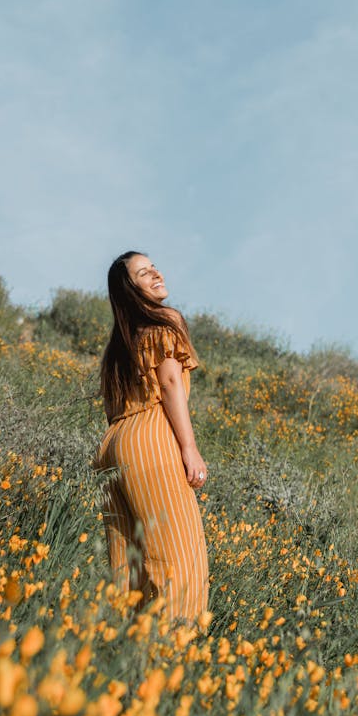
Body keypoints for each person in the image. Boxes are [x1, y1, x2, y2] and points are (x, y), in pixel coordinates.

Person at [95, 251, 209, 621]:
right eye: (144, 273)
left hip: (113, 446)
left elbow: (113, 409)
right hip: (150, 441)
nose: (156, 273)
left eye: (153, 266)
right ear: (132, 289)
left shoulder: (119, 345)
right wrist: (189, 448)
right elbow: (171, 382)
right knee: (178, 556)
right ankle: (171, 654)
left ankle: (118, 649)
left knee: (126, 566)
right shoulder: (166, 320)